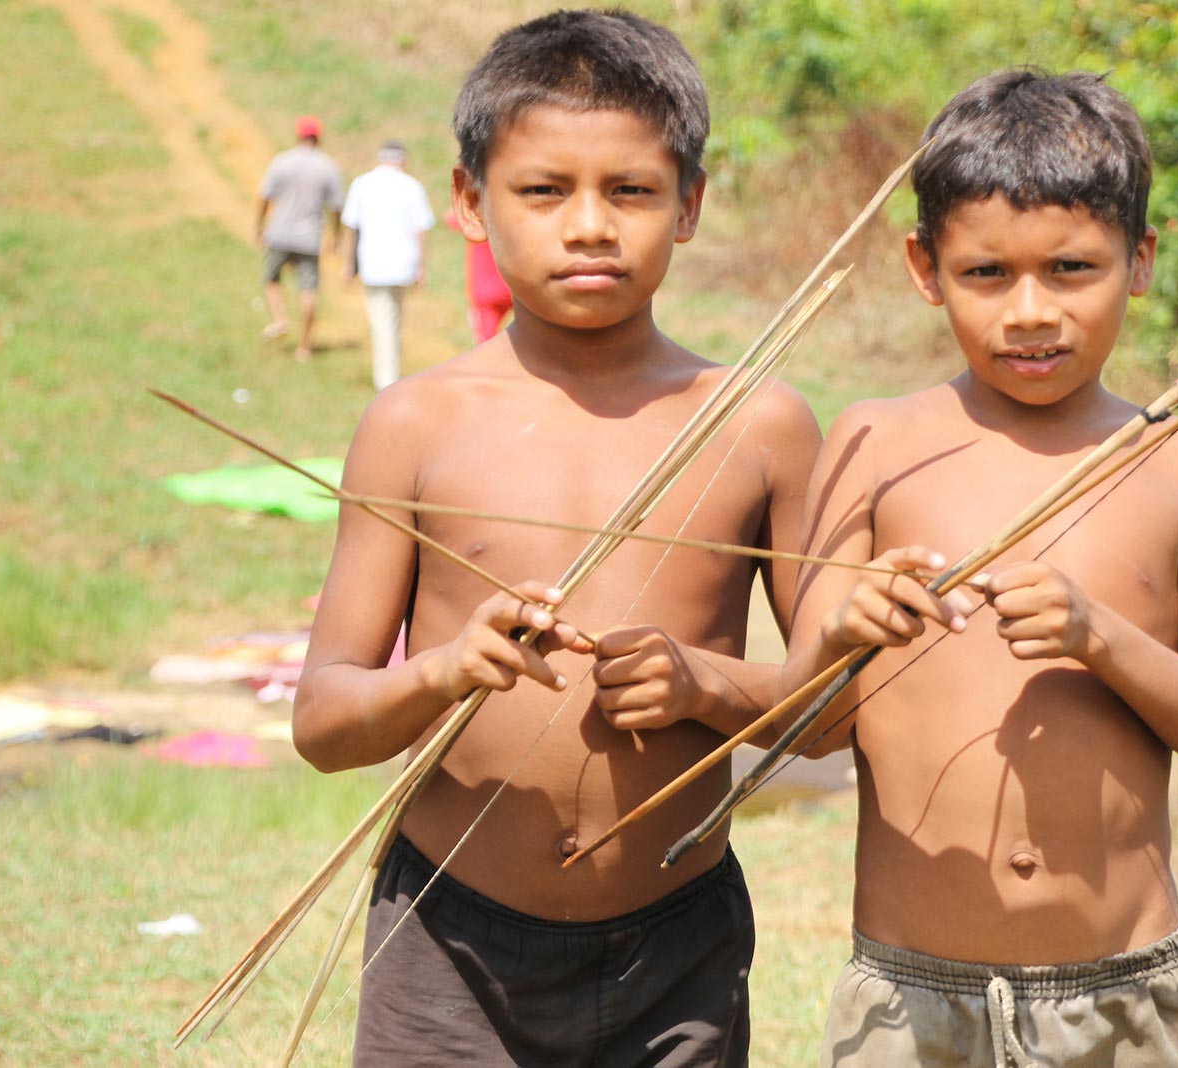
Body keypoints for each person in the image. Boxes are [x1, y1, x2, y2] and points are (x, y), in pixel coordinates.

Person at [291, 12, 820, 1067]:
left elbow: (838, 713)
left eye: (630, 191)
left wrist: (703, 685)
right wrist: (444, 671)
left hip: (679, 941)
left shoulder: (757, 423)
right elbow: (323, 723)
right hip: (447, 939)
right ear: (468, 204)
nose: (589, 226)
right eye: (543, 191)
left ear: (691, 205)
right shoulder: (414, 425)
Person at [783, 69, 1178, 1067]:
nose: (1030, 312)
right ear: (925, 267)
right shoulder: (875, 443)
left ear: (1138, 261)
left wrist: (1100, 637)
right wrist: (843, 635)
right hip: (909, 1004)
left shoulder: (1177, 459)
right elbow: (803, 730)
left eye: (1071, 269)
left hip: (1128, 995)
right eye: (986, 275)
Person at [343, 141, 436, 389]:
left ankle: (386, 380)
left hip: (372, 262)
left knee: (382, 319)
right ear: (402, 160)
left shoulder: (362, 184)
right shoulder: (413, 186)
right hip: (403, 262)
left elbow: (352, 228)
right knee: (392, 318)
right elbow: (421, 231)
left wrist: (348, 265)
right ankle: (389, 374)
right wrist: (421, 266)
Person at [257, 115, 344, 362]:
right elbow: (336, 207)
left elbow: (264, 196)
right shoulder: (328, 166)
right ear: (319, 138)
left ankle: (280, 318)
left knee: (271, 279)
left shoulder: (281, 162)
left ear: (298, 136)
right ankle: (304, 347)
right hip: (309, 237)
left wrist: (258, 225)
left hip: (279, 233)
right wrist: (336, 235)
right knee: (308, 290)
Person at [453, 208, 515, 341]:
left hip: (485, 294)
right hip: (514, 289)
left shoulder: (476, 220)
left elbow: (452, 218)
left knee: (484, 343)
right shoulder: (514, 219)